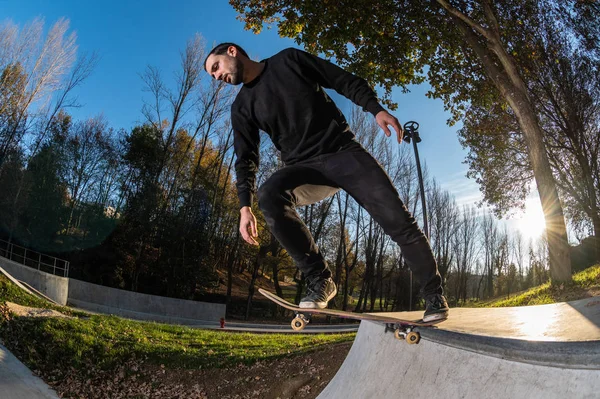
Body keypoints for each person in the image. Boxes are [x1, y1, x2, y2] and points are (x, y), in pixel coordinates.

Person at [204, 43, 449, 322]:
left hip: (344, 154)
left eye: (216, 67)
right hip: (304, 170)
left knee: (399, 221)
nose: (217, 77)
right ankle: (320, 279)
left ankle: (434, 295)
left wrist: (375, 109)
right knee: (270, 194)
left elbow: (340, 79)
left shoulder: (288, 60)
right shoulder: (241, 108)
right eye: (213, 76)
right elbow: (245, 159)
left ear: (232, 52)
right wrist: (244, 207)